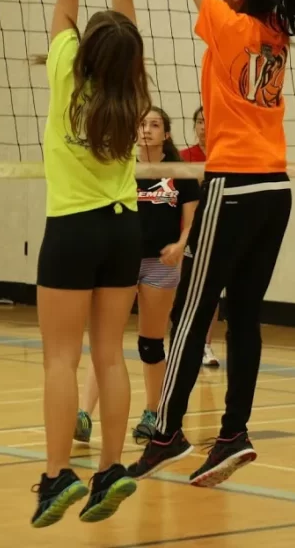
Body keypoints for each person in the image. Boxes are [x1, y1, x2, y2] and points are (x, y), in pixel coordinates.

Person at [128, 0, 295, 487]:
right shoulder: (276, 25)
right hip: (277, 190)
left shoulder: (229, 24)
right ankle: (233, 433)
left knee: (191, 313)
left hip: (233, 185)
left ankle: (167, 434)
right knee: (245, 315)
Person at [30, 0, 148, 528]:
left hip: (73, 228)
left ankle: (56, 477)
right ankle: (111, 467)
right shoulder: (133, 91)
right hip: (125, 227)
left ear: (86, 47)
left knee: (60, 357)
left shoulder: (64, 70)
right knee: (109, 355)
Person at [75, 107, 200, 445]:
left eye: (155, 125)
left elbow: (191, 222)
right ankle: (84, 414)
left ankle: (153, 412)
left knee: (149, 343)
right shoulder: (121, 169)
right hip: (122, 261)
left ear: (167, 135)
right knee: (106, 340)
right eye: (142, 124)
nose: (147, 130)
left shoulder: (181, 173)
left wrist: (180, 244)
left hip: (161, 263)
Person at [178, 105, 220, 367]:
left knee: (211, 291)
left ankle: (206, 345)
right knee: (181, 289)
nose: (204, 126)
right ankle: (178, 341)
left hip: (218, 230)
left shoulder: (227, 156)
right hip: (188, 231)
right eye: (200, 122)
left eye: (209, 121)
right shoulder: (184, 157)